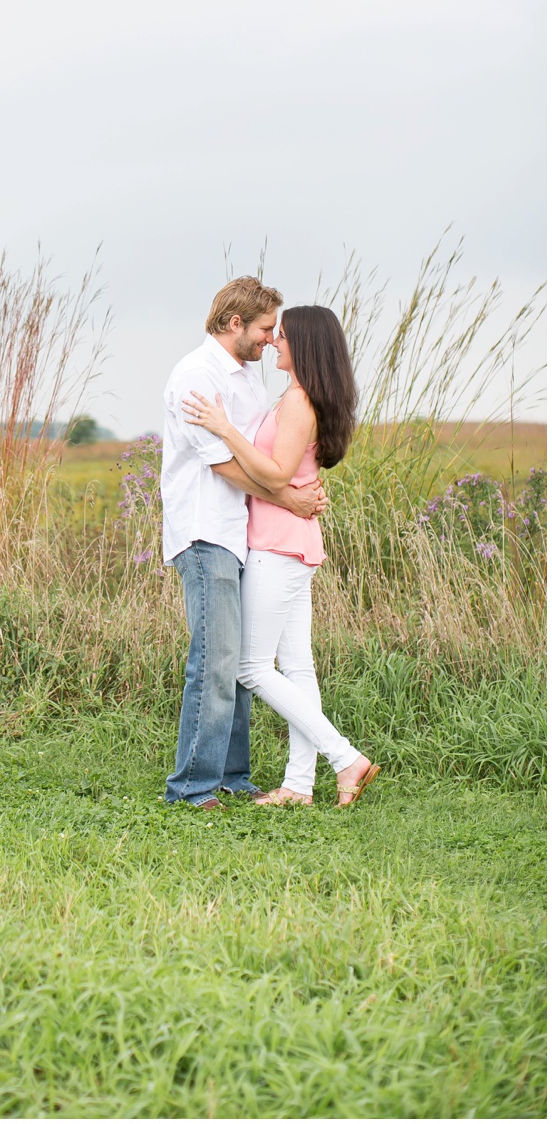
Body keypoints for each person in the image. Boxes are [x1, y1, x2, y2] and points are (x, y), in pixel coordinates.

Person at [182, 305, 379, 808]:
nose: (274, 343)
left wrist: (225, 430)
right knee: (296, 666)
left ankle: (345, 757)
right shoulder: (298, 398)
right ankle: (299, 785)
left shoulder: (297, 402)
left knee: (250, 666)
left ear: (306, 347)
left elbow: (274, 474)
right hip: (290, 541)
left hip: (277, 544)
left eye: (283, 336)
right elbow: (285, 475)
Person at [160, 277, 328, 810]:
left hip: (242, 534)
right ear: (235, 324)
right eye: (263, 329)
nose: (270, 339)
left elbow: (269, 453)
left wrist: (289, 489)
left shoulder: (249, 379)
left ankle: (232, 773)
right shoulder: (196, 376)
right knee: (215, 658)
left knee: (234, 659)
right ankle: (192, 786)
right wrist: (290, 500)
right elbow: (227, 465)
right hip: (206, 529)